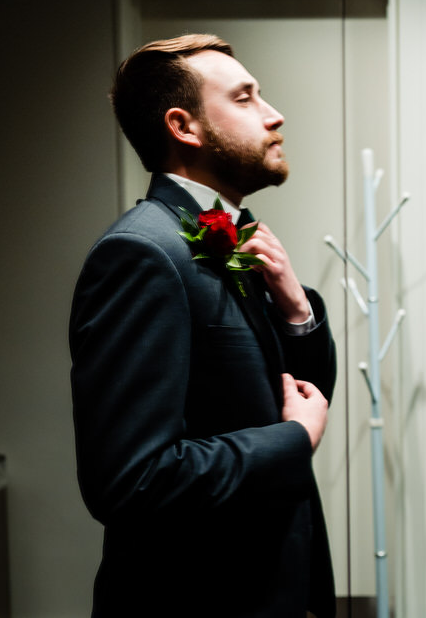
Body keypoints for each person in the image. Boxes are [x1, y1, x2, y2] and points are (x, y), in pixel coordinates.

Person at [69, 34, 337, 617]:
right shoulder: (142, 253)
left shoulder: (228, 240)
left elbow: (294, 396)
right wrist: (294, 439)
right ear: (184, 127)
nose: (274, 114)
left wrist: (296, 313)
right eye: (245, 98)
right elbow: (130, 481)